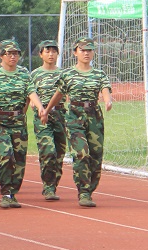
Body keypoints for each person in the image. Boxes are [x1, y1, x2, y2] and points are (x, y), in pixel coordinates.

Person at [0, 40, 46, 209]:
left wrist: (41, 107)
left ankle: (13, 192)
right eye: (9, 54)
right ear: (1, 56)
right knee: (6, 156)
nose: (13, 57)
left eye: (16, 54)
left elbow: (31, 92)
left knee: (19, 160)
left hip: (18, 122)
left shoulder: (24, 74)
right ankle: (6, 193)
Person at [45, 37, 113, 208]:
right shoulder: (68, 74)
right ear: (75, 52)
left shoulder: (99, 74)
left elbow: (105, 88)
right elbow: (59, 94)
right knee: (81, 153)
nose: (86, 53)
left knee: (96, 156)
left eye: (89, 50)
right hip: (75, 115)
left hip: (94, 116)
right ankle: (83, 191)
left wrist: (107, 100)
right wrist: (47, 110)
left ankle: (90, 190)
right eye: (82, 50)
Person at [31, 40, 68, 201]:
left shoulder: (63, 74)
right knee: (48, 150)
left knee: (59, 153)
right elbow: (30, 95)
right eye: (47, 51)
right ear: (41, 54)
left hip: (60, 115)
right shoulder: (34, 74)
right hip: (42, 116)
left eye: (53, 51)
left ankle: (53, 184)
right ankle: (48, 187)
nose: (51, 54)